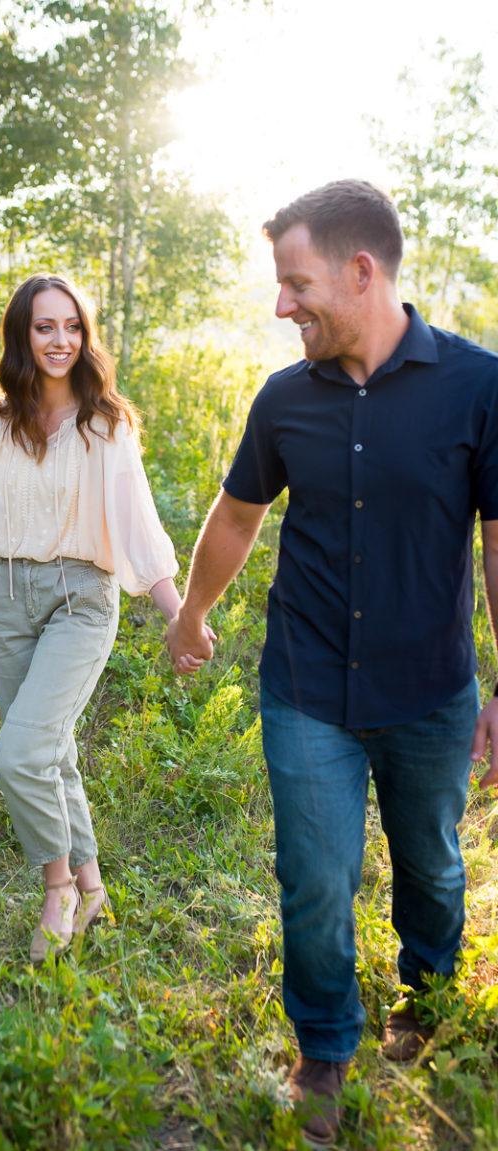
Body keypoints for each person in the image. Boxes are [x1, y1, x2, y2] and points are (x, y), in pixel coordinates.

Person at [166, 180, 498, 1146]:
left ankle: (430, 998)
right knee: (313, 875)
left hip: (431, 691)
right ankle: (323, 1046)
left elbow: (496, 544)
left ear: (362, 272)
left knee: (431, 865)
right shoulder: (283, 400)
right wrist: (191, 612)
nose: (282, 306)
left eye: (295, 283)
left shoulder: (478, 386)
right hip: (306, 682)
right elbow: (236, 516)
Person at [0, 272, 187, 964]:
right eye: (45, 326)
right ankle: (96, 886)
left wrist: (177, 613)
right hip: (10, 602)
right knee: (52, 750)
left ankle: (58, 891)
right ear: (23, 334)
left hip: (82, 597)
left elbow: (139, 526)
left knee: (20, 752)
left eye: (73, 326)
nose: (61, 340)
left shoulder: (104, 422)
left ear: (86, 336)